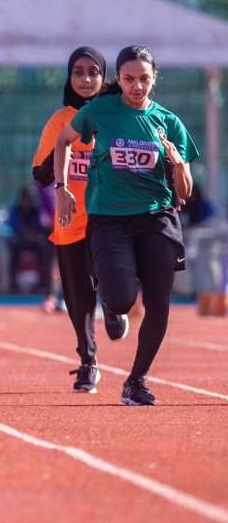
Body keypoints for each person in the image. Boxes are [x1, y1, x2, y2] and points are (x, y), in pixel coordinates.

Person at [52, 45, 198, 406]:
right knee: (119, 300)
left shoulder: (168, 121)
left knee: (159, 304)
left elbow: (186, 191)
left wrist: (178, 164)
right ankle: (110, 288)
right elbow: (63, 141)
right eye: (129, 79)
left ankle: (137, 380)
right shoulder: (99, 110)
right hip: (109, 218)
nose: (137, 87)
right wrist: (62, 188)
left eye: (144, 79)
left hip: (157, 218)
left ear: (154, 79)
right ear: (118, 78)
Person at [31, 47, 127, 391]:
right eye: (77, 72)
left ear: (104, 76)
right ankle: (88, 361)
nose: (85, 79)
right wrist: (62, 147)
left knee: (111, 283)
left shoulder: (117, 116)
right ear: (69, 77)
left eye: (92, 72)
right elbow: (39, 175)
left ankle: (114, 307)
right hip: (70, 220)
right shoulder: (59, 121)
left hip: (110, 217)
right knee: (77, 295)